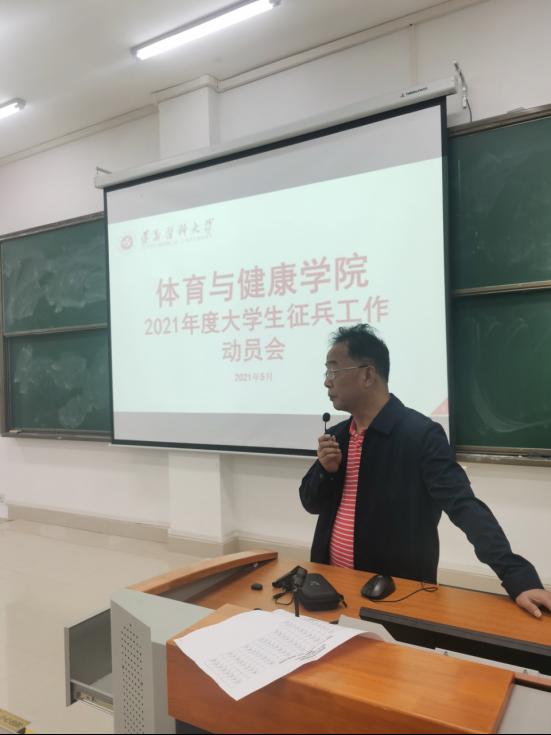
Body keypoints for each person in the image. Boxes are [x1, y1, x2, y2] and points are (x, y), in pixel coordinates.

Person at [299, 324, 551, 618]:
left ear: (367, 375)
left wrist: (518, 577)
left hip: (394, 597)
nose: (327, 382)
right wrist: (326, 471)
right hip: (329, 589)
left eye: (334, 370)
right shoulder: (338, 435)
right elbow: (310, 502)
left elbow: (463, 506)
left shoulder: (419, 435)